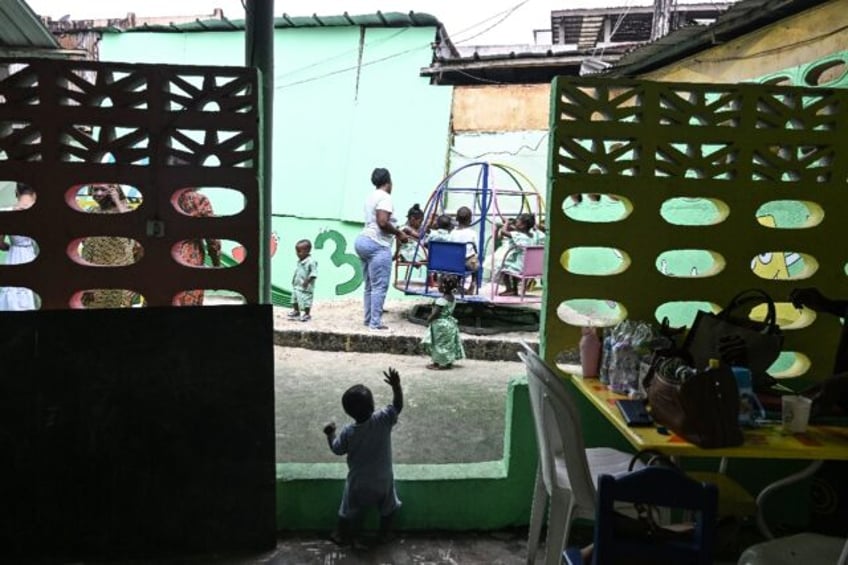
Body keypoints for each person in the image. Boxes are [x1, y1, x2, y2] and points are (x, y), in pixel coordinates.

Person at [322, 367, 403, 546]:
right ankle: (385, 534)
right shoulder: (382, 419)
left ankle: (341, 534)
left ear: (348, 412)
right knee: (388, 508)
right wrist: (396, 387)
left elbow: (337, 449)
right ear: (372, 406)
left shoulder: (348, 432)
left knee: (347, 508)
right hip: (383, 479)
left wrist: (330, 434)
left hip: (358, 482)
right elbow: (397, 406)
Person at [354, 168, 408, 331]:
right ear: (389, 182)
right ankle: (375, 324)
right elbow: (383, 222)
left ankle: (368, 319)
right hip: (377, 244)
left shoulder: (371, 196)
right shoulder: (385, 197)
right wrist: (399, 234)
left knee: (370, 285)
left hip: (363, 241)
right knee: (379, 286)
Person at [80, 184, 137, 308]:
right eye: (95, 189)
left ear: (114, 191)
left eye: (103, 189)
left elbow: (131, 224)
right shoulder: (92, 211)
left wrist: (117, 201)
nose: (98, 193)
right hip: (95, 274)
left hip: (117, 274)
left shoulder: (125, 210)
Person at [174, 187, 222, 306]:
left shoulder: (160, 198)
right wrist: (216, 263)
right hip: (189, 262)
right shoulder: (197, 200)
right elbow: (213, 236)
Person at [0, 185, 38, 311]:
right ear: (34, 193)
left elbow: (0, 243)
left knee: (13, 292)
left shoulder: (5, 212)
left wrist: (9, 247)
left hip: (14, 255)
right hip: (31, 254)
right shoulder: (38, 212)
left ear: (16, 192)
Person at [421, 275, 466, 370]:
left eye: (439, 284)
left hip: (440, 325)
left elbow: (435, 314)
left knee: (438, 344)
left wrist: (428, 319)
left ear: (443, 287)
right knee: (448, 344)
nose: (438, 286)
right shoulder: (453, 298)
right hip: (450, 323)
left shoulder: (441, 301)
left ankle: (437, 363)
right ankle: (448, 362)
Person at [497, 212, 537, 296]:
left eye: (518, 221)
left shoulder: (518, 235)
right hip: (530, 267)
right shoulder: (532, 235)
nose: (516, 222)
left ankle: (509, 289)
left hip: (520, 267)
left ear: (523, 225)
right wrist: (510, 225)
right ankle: (514, 289)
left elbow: (503, 232)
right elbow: (518, 232)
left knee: (502, 267)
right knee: (513, 264)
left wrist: (507, 223)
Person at [448, 206, 479, 294]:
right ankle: (472, 284)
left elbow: (450, 246)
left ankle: (458, 284)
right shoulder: (472, 233)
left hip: (454, 263)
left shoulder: (453, 233)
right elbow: (477, 249)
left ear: (457, 219)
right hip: (468, 263)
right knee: (475, 263)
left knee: (458, 258)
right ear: (470, 220)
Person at [287, 239, 317, 322]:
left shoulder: (311, 262)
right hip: (297, 285)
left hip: (306, 286)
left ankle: (307, 314)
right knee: (294, 299)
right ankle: (296, 311)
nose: (297, 254)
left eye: (299, 251)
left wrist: (307, 281)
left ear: (307, 251)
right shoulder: (300, 261)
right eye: (296, 251)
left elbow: (314, 273)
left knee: (306, 300)